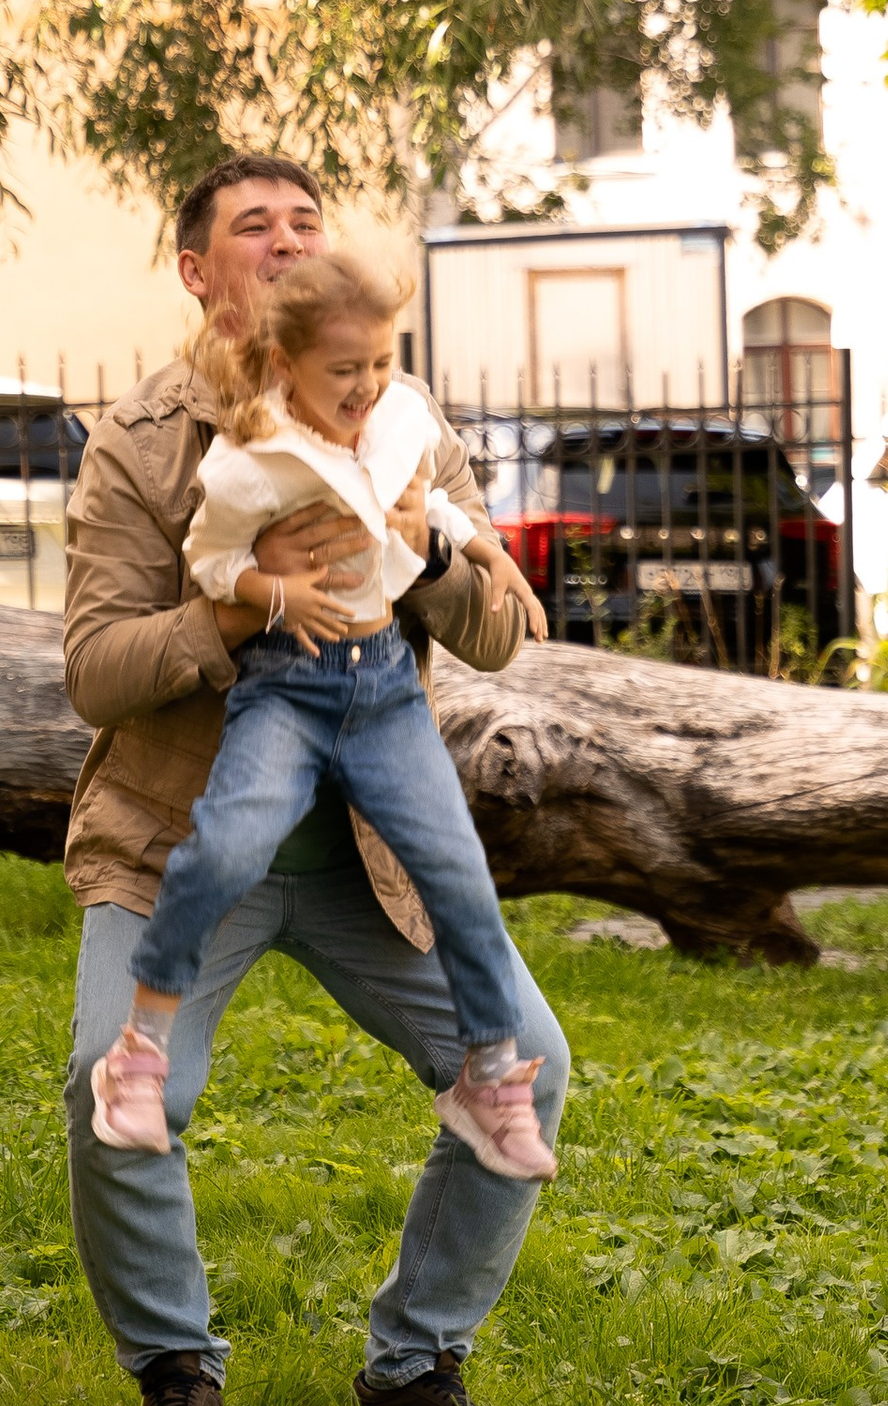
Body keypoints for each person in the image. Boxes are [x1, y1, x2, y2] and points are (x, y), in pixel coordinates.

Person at [60, 152, 562, 1406]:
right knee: (118, 1090)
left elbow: (500, 637)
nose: (286, 244)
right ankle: (178, 1378)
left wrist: (427, 552)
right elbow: (96, 673)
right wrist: (241, 600)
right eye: (252, 228)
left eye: (306, 222)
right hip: (182, 844)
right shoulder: (143, 443)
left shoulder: (395, 409)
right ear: (198, 274)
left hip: (361, 850)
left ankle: (416, 1369)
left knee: (528, 1066)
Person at [88, 241, 559, 1185]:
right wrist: (271, 593)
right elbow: (212, 560)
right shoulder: (250, 463)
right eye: (346, 371)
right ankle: (139, 1049)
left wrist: (483, 553)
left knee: (458, 869)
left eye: (381, 363)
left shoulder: (401, 413)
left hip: (383, 690)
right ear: (283, 365)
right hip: (290, 685)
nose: (368, 386)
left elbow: (435, 496)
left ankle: (493, 1078)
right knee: (223, 848)